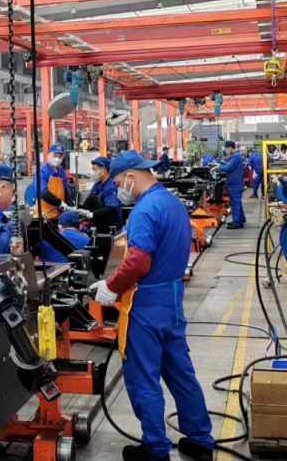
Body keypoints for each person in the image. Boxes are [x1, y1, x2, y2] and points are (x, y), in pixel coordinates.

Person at [90, 150, 214, 461]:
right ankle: (200, 441)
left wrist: (110, 286)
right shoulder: (173, 203)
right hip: (171, 300)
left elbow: (137, 261)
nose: (120, 189)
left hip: (144, 305)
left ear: (131, 176)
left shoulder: (144, 210)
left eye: (120, 182)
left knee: (143, 377)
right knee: (181, 373)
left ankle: (156, 448)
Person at [79, 156, 123, 277]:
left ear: (103, 170)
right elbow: (89, 202)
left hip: (110, 227)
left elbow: (111, 208)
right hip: (98, 226)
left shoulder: (111, 187)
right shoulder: (97, 185)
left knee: (106, 259)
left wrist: (92, 214)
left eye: (95, 170)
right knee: (95, 258)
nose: (93, 173)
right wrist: (78, 210)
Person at [36, 144, 71, 219]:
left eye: (60, 156)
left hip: (59, 213)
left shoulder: (62, 172)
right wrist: (60, 203)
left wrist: (72, 207)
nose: (57, 158)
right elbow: (43, 193)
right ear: (48, 155)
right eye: (54, 155)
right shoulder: (42, 171)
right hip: (44, 214)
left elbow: (65, 192)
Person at [219, 140, 246, 229]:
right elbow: (229, 165)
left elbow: (229, 167)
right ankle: (240, 220)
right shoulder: (235, 156)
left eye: (226, 148)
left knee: (235, 202)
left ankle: (236, 222)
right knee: (237, 202)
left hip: (235, 183)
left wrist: (218, 166)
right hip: (234, 182)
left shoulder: (236, 156)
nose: (226, 150)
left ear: (230, 148)